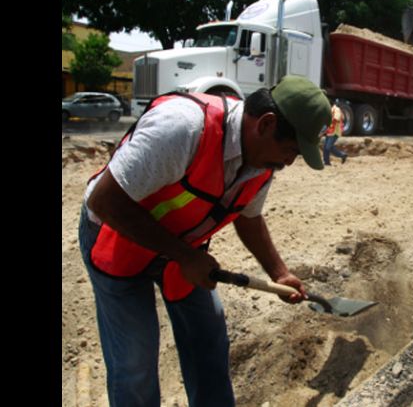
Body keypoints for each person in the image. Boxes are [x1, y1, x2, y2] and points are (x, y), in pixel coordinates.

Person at [79, 75, 331, 407]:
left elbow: (249, 217)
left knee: (208, 339)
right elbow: (104, 201)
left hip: (182, 251)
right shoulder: (182, 129)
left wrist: (279, 272)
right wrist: (184, 256)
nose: (289, 162)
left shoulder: (261, 163)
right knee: (135, 361)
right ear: (267, 124)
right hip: (117, 239)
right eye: (291, 151)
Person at [323, 99, 348, 166]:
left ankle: (342, 155)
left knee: (328, 147)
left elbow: (336, 119)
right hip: (330, 131)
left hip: (334, 131)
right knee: (325, 147)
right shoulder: (331, 110)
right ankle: (326, 162)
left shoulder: (336, 109)